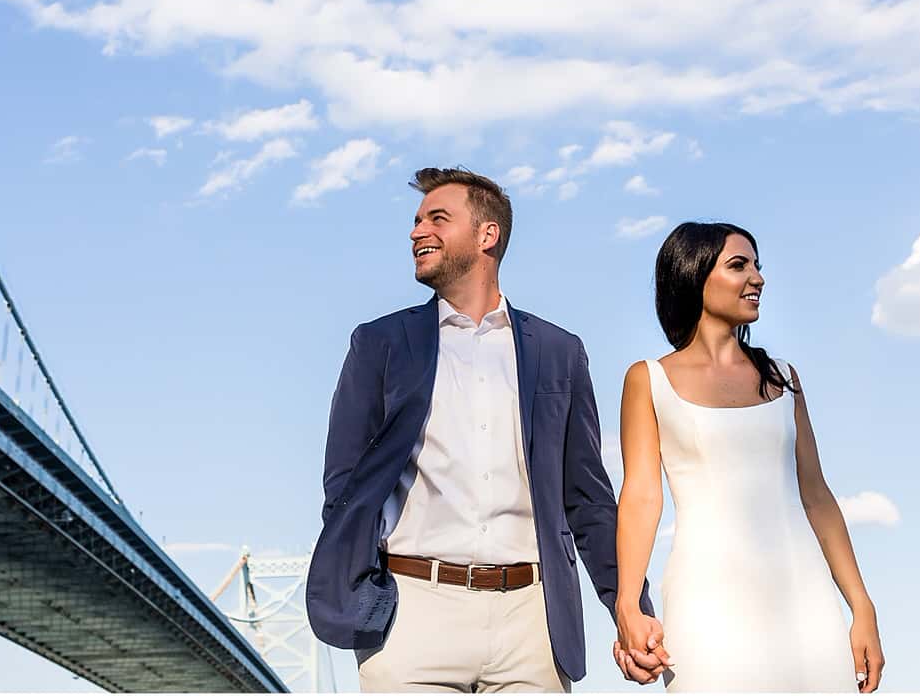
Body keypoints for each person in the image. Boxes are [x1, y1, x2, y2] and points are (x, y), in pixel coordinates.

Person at [307, 170, 659, 692]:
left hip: (532, 623)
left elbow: (587, 500)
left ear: (486, 235)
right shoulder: (378, 344)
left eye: (436, 218)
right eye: (416, 220)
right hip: (412, 617)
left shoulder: (559, 352)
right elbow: (345, 485)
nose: (416, 231)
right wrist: (366, 591)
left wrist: (629, 609)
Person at [615, 222, 884, 694]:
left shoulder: (784, 378)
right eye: (738, 265)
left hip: (806, 601)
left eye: (757, 266)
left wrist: (862, 607)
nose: (757, 278)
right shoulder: (648, 379)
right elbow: (640, 496)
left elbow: (816, 496)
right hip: (705, 600)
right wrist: (628, 606)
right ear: (693, 275)